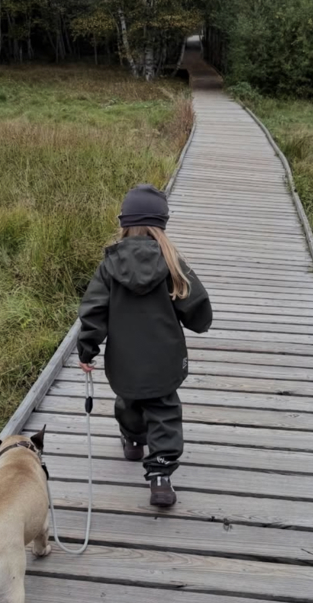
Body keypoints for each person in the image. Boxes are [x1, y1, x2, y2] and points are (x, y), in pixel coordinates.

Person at [77, 184, 213, 508]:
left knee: (129, 401)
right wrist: (199, 321)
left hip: (124, 361)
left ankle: (134, 439)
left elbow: (93, 310)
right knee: (164, 410)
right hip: (164, 359)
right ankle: (161, 478)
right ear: (161, 224)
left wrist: (87, 349)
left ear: (124, 221)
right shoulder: (172, 262)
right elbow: (198, 307)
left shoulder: (109, 266)